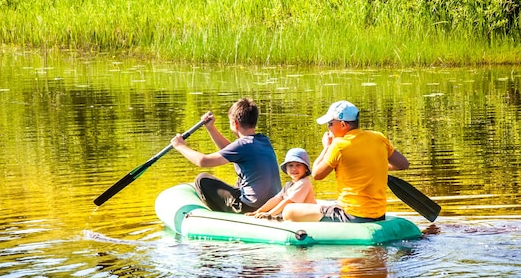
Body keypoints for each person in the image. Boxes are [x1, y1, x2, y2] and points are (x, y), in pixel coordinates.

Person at [282, 100, 410, 223]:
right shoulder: (379, 138)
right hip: (379, 215)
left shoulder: (339, 145)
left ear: (343, 124)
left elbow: (316, 174)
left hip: (351, 215)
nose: (328, 128)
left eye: (330, 124)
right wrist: (373, 165)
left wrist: (327, 147)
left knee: (289, 210)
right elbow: (403, 164)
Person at [170, 98, 281, 213]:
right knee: (239, 181)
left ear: (235, 124)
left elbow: (203, 161)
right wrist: (211, 128)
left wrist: (180, 146)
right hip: (271, 204)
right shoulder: (263, 140)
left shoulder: (242, 145)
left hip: (248, 207)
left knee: (201, 179)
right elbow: (231, 150)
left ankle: (223, 219)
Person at [246, 148, 317, 220]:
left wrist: (269, 214)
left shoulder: (304, 182)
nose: (294, 169)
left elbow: (289, 201)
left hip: (309, 216)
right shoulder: (289, 185)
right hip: (297, 216)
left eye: (298, 165)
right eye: (290, 165)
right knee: (284, 206)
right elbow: (277, 199)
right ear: (286, 168)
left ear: (306, 168)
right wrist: (259, 211)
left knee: (288, 207)